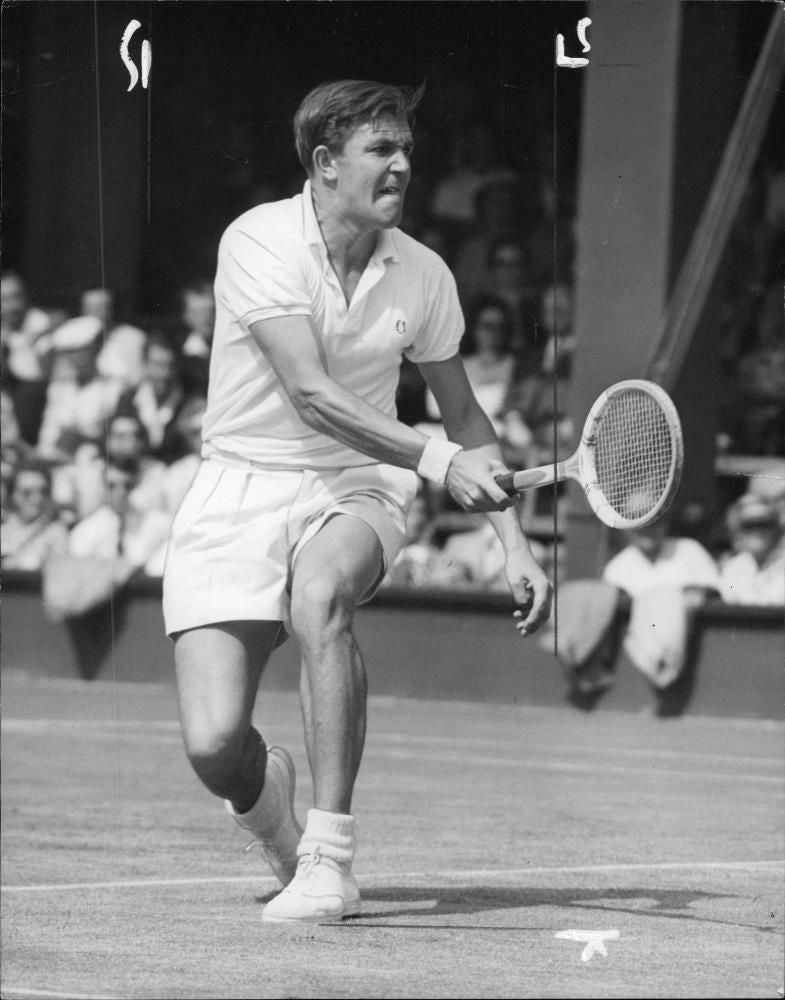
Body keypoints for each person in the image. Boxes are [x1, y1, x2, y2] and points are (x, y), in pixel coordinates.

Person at [162, 79, 552, 925]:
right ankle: (271, 806)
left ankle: (330, 858)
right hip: (238, 483)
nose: (403, 165)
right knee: (213, 745)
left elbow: (464, 413)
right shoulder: (258, 240)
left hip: (357, 483)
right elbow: (309, 393)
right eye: (383, 148)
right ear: (325, 163)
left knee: (321, 593)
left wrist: (514, 544)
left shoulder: (426, 274)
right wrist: (444, 460)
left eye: (407, 147)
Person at [718, 492, 785, 605]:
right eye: (749, 525)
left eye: (763, 524)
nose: (757, 531)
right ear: (738, 532)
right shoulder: (733, 567)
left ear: (776, 529)